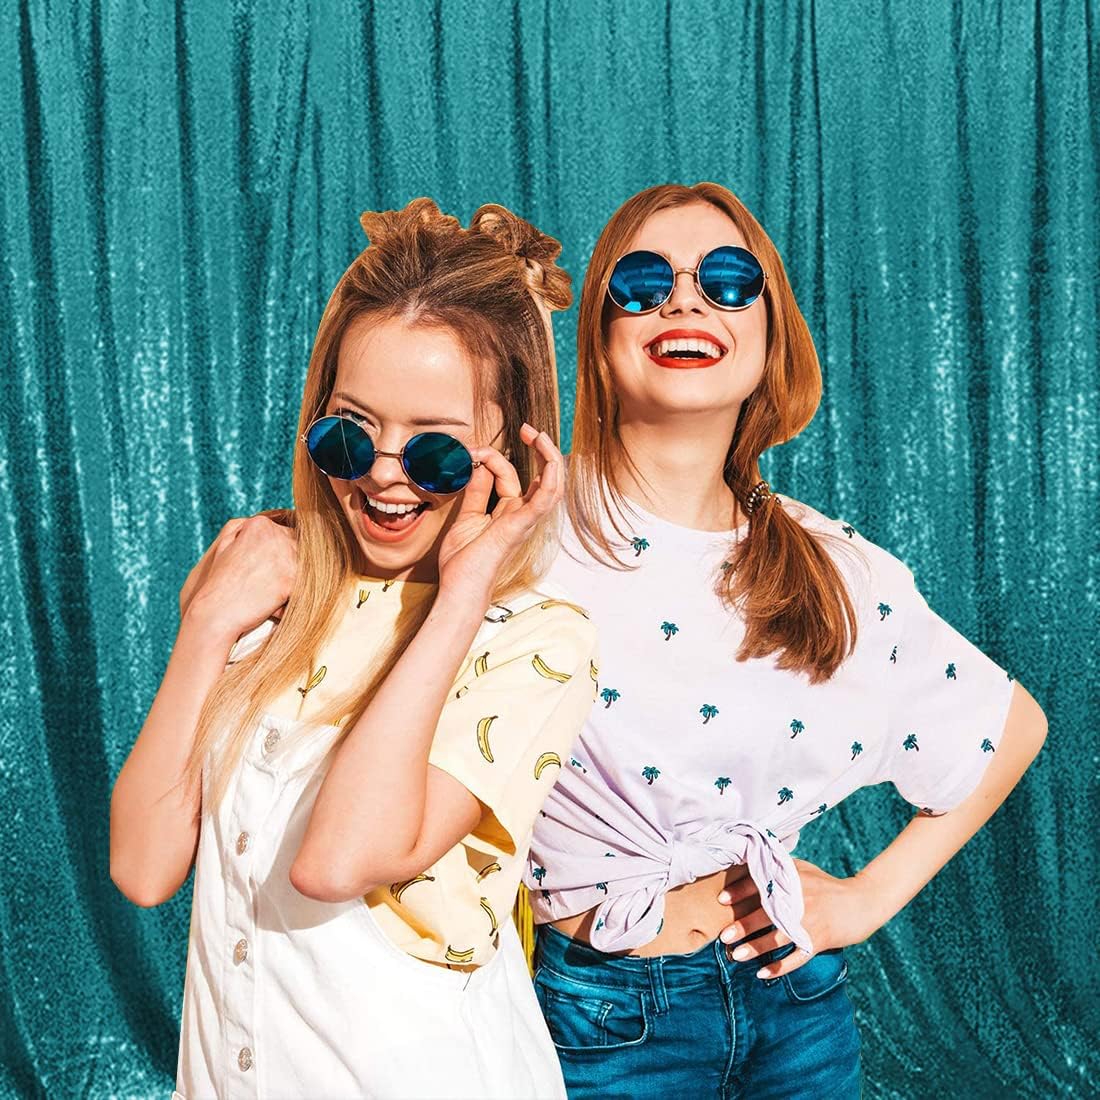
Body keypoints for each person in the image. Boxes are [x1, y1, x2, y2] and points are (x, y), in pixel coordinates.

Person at [523, 182, 1048, 1099]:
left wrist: (865, 900)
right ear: (600, 340)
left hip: (797, 1008)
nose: (685, 301)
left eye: (728, 280)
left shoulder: (832, 566)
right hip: (602, 1020)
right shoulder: (520, 529)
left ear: (770, 338)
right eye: (643, 282)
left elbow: (1012, 726)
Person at [109, 197, 598, 1100]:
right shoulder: (259, 580)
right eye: (350, 431)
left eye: (436, 452)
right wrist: (208, 623)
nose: (381, 473)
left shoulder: (537, 643)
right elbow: (142, 869)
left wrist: (462, 593)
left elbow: (335, 862)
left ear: (513, 454)